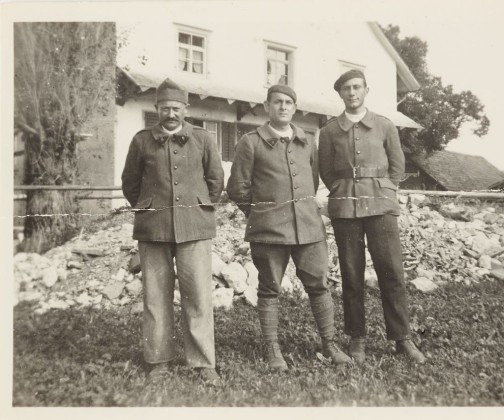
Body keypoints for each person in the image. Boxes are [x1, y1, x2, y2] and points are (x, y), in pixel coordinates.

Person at [227, 84, 352, 371]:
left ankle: (329, 343)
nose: (283, 107)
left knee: (319, 285)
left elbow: (313, 179)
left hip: (309, 227)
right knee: (269, 288)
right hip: (269, 230)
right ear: (266, 107)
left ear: (294, 108)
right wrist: (261, 214)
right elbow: (237, 187)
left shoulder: (307, 140)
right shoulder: (251, 142)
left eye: (288, 103)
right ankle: (272, 349)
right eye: (277, 102)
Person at [318, 70, 426, 364]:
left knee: (391, 272)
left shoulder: (384, 125)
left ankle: (402, 338)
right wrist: (343, 189)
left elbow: (397, 167)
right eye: (346, 89)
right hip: (346, 208)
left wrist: (384, 190)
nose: (352, 93)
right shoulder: (329, 131)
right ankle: (357, 338)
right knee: (352, 275)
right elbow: (326, 171)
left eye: (357, 87)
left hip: (381, 206)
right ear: (340, 94)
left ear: (366, 90)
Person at [121, 78, 225, 383]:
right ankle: (158, 361)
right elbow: (130, 183)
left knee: (198, 296)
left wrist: (199, 206)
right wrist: (150, 204)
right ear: (157, 108)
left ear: (185, 109)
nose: (170, 113)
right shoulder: (141, 141)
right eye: (165, 107)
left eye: (176, 108)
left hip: (195, 226)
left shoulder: (203, 139)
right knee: (155, 296)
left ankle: (204, 363)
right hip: (153, 228)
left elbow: (215, 180)